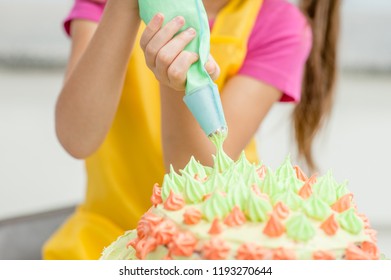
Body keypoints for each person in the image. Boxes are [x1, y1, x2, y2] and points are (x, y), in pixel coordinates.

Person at [43, 0, 340, 259]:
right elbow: (76, 138)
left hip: (216, 245)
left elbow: (195, 176)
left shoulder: (277, 24)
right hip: (104, 238)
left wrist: (177, 82)